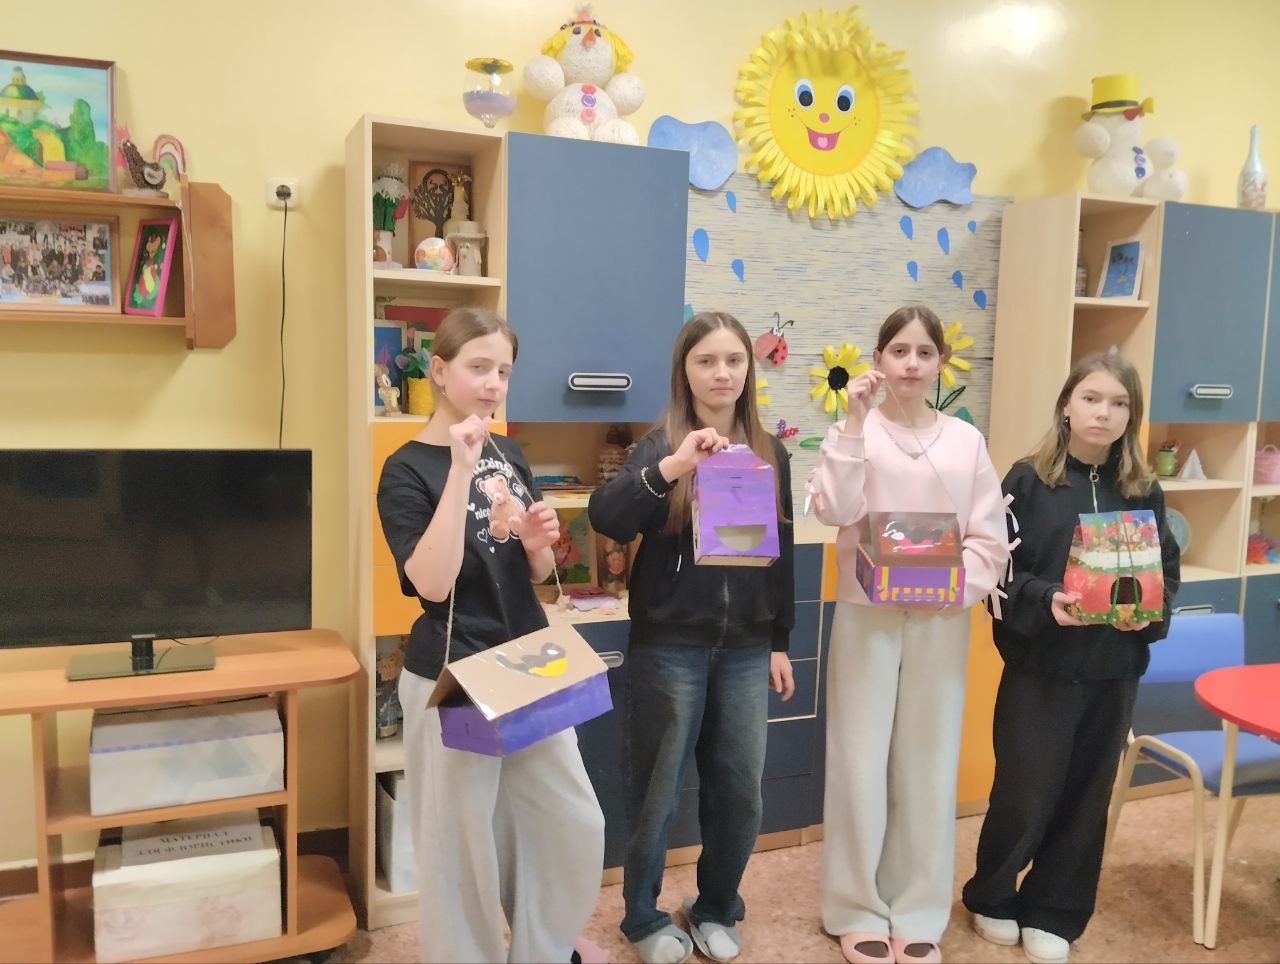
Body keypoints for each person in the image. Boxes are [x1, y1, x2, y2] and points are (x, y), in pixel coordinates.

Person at [589, 311, 796, 964]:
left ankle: (716, 908)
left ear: (749, 369)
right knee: (656, 795)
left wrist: (780, 640)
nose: (721, 373)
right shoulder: (661, 446)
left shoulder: (770, 453)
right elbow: (608, 517)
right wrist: (676, 465)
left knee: (740, 794)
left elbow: (782, 553)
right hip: (670, 648)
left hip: (745, 651)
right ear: (685, 370)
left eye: (733, 359)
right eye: (706, 360)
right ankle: (643, 918)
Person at [962, 351, 1180, 964]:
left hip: (1114, 670)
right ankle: (992, 894)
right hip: (1041, 669)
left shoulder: (1144, 490)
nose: (1103, 413)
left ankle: (1057, 907)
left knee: (1087, 796)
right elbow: (996, 573)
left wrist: (1150, 612)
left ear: (1131, 415)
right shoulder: (1026, 482)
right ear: (1066, 406)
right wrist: (1045, 599)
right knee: (1023, 792)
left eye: (1119, 403)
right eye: (1091, 398)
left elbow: (1166, 573)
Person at [808, 305, 1009, 964]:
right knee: (858, 760)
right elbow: (834, 509)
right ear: (878, 359)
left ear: (941, 362)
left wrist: (951, 586)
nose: (912, 364)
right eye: (899, 351)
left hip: (941, 619)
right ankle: (854, 907)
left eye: (925, 352)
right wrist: (852, 423)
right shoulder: (856, 431)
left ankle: (918, 907)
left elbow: (989, 538)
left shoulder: (966, 441)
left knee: (928, 762)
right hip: (865, 614)